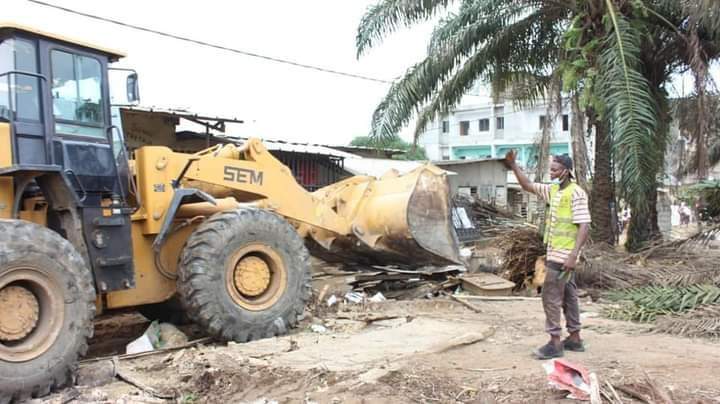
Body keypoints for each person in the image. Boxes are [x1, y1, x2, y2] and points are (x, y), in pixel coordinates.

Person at [505, 151, 591, 359]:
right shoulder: (554, 190)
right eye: (550, 169)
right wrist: (514, 166)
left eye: (555, 169)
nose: (551, 173)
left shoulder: (576, 193)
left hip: (564, 255)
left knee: (550, 296)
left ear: (566, 171)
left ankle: (554, 342)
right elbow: (528, 186)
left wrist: (573, 255)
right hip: (556, 251)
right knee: (569, 295)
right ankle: (575, 337)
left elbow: (584, 225)